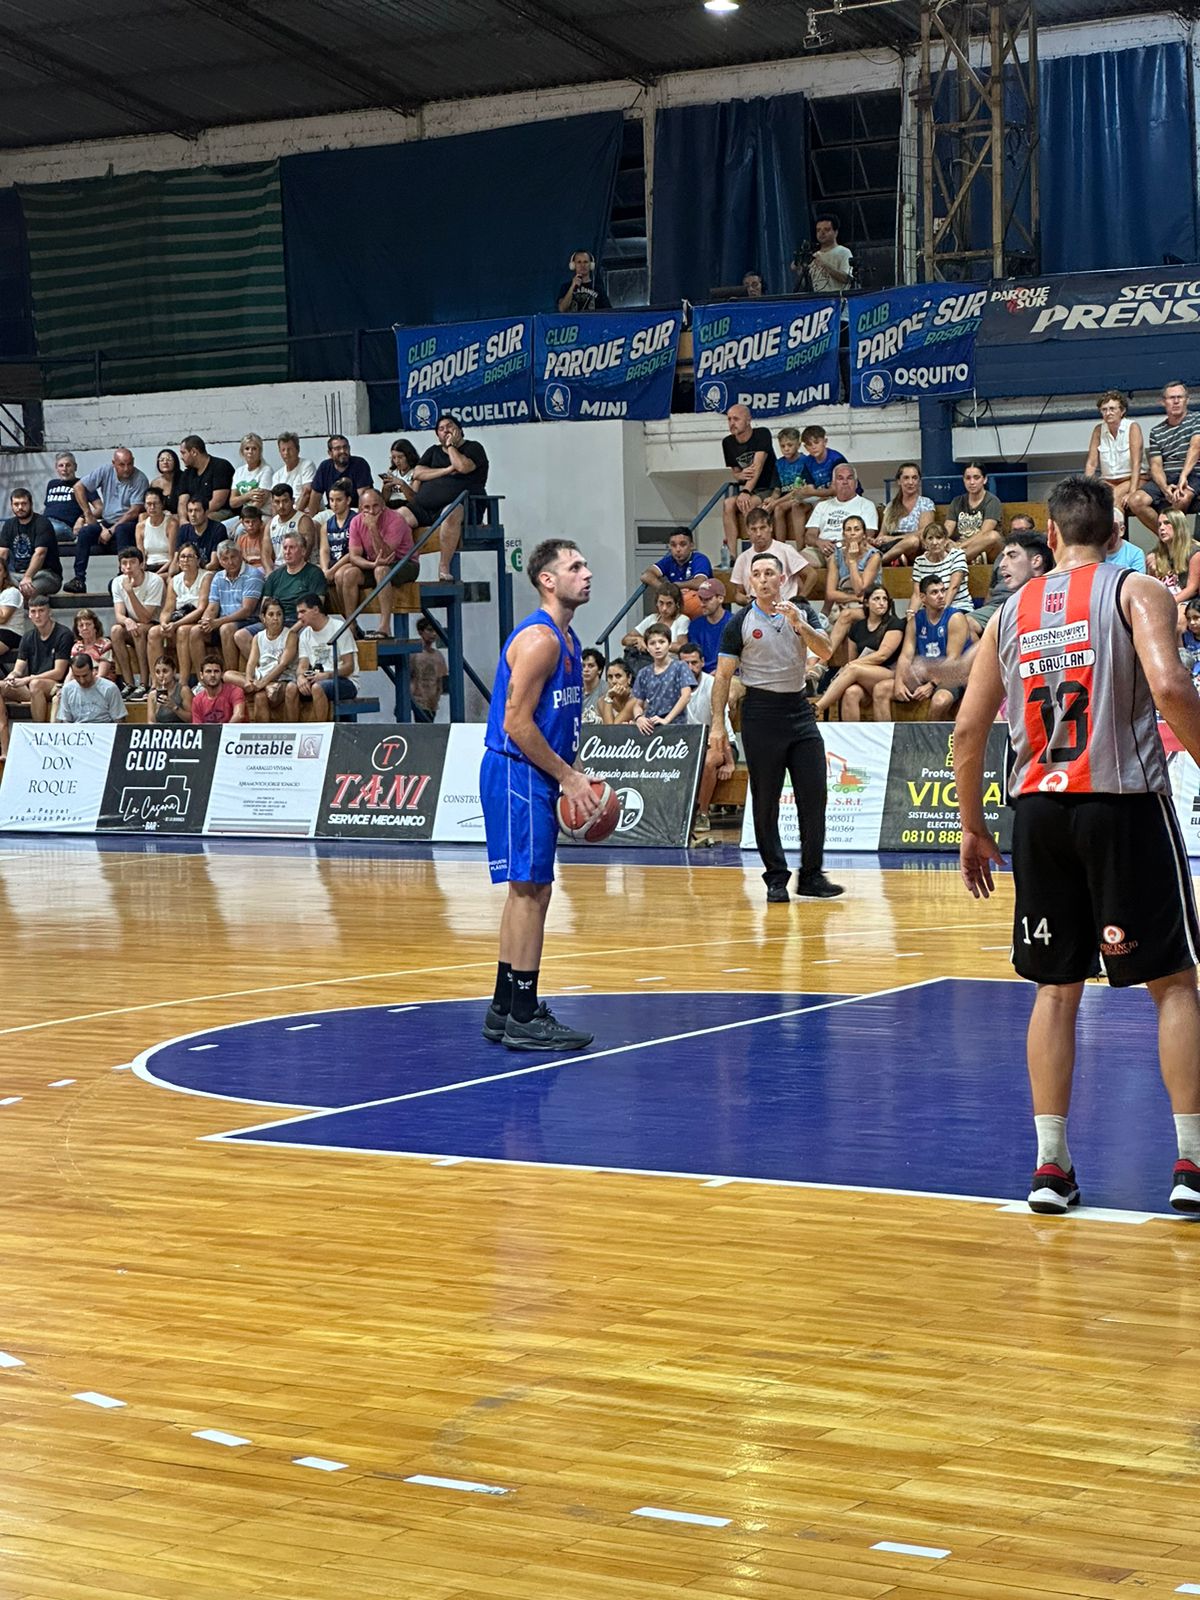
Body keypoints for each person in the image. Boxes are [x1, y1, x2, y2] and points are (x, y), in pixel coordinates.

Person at [956, 473, 1200, 1217]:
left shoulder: (1008, 613)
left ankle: (1050, 1169)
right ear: (1116, 536)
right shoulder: (1135, 589)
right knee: (1173, 983)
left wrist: (972, 826)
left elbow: (967, 731)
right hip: (1121, 804)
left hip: (1038, 814)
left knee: (1055, 990)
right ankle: (1190, 1163)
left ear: (1051, 537)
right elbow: (1170, 687)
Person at [479, 538, 599, 1052]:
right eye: (575, 567)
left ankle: (505, 1005)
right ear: (547, 580)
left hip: (531, 773)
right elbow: (515, 723)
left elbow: (549, 722)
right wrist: (569, 779)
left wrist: (570, 769)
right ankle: (524, 1015)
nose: (587, 572)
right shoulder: (542, 640)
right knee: (530, 891)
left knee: (530, 891)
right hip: (516, 772)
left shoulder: (569, 641)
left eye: (585, 563)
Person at [709, 552, 841, 902]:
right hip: (761, 713)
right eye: (757, 574)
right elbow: (722, 677)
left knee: (814, 796)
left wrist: (802, 625)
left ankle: (812, 875)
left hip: (798, 710)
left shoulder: (801, 613)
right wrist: (717, 727)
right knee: (766, 801)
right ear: (750, 582)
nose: (764, 579)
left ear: (782, 579)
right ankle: (776, 878)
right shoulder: (739, 623)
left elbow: (827, 652)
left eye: (770, 573)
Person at [399, 414, 489, 583]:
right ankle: (401, 564)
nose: (445, 430)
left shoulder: (474, 448)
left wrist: (451, 447)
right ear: (437, 435)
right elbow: (418, 473)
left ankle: (443, 567)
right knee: (397, 517)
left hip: (463, 507)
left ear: (459, 430)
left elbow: (462, 466)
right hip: (425, 508)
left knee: (451, 511)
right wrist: (447, 470)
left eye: (449, 426)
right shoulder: (432, 451)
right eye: (441, 429)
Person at [871, 575, 970, 722]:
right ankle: (886, 742)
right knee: (880, 690)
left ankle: (928, 742)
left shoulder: (955, 618)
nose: (941, 596)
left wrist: (932, 685)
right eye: (934, 592)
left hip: (951, 676)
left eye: (943, 591)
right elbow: (905, 656)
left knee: (940, 701)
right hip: (925, 674)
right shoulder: (915, 620)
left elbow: (952, 660)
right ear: (923, 598)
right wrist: (899, 682)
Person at [815, 584, 904, 721]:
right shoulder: (857, 627)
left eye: (885, 599)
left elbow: (882, 655)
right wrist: (852, 665)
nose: (882, 603)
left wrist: (852, 665)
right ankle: (851, 739)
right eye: (876, 599)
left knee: (853, 668)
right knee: (851, 692)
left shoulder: (894, 623)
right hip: (864, 675)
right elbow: (852, 658)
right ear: (866, 603)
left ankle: (817, 708)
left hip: (889, 672)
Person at [66, 447, 148, 591]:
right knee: (85, 532)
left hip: (127, 523)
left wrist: (111, 530)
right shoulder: (105, 470)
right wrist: (88, 515)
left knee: (122, 529)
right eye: (122, 465)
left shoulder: (140, 479)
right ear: (113, 463)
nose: (127, 468)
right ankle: (79, 579)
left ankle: (122, 576)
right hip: (106, 520)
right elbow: (78, 487)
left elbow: (135, 510)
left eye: (129, 464)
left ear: (133, 462)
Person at [0, 595, 74, 754]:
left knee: (35, 684)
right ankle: (4, 743)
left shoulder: (63, 634)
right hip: (32, 688)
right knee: (2, 685)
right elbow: (19, 667)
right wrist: (12, 676)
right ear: (29, 615)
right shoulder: (28, 636)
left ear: (50, 612)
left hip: (56, 686)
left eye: (41, 611)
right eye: (33, 611)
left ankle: (39, 733)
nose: (37, 615)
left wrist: (28, 678)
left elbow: (59, 672)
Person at [681, 638, 737, 835]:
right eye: (685, 663)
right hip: (690, 745)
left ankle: (702, 814)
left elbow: (721, 728)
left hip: (722, 744)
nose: (690, 667)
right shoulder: (674, 686)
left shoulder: (713, 685)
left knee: (708, 760)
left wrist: (729, 762)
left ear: (703, 662)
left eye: (694, 662)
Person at [1128, 381, 1200, 533]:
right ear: (1163, 402)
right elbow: (1156, 465)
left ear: (1187, 399)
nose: (1176, 401)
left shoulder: (1197, 419)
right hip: (1166, 476)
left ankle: (1174, 542)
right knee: (1135, 501)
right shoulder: (1156, 432)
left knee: (1181, 498)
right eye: (1171, 398)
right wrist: (1165, 488)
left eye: (1180, 397)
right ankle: (1171, 541)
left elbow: (1196, 447)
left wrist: (1183, 477)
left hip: (1193, 473)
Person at [345, 488, 418, 640]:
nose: (371, 511)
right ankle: (351, 626)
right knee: (349, 574)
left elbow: (386, 555)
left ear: (383, 505)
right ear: (360, 508)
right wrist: (371, 565)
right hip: (375, 564)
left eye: (375, 506)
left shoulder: (395, 519)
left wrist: (372, 528)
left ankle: (384, 627)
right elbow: (354, 556)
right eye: (366, 507)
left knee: (381, 571)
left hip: (405, 563)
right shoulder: (356, 521)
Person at [191, 541, 265, 674]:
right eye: (225, 559)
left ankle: (232, 675)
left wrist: (217, 622)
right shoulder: (218, 577)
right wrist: (206, 621)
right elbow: (213, 606)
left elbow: (246, 610)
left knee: (226, 628)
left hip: (249, 620)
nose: (230, 562)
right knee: (195, 631)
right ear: (220, 561)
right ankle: (202, 679)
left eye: (233, 557)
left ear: (241, 555)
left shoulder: (253, 575)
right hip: (224, 620)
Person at [720, 405, 779, 565]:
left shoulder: (762, 434)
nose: (732, 423)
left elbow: (757, 467)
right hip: (747, 488)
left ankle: (757, 553)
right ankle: (732, 556)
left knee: (748, 503)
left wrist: (746, 490)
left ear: (748, 420)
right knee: (728, 503)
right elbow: (736, 471)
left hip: (766, 487)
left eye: (736, 419)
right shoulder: (727, 442)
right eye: (729, 419)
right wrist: (739, 476)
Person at [286, 594, 358, 721]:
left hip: (344, 681)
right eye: (298, 613)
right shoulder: (305, 634)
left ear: (315, 609)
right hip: (318, 679)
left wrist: (327, 675)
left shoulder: (339, 628)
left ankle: (323, 731)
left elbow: (349, 667)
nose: (299, 617)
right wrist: (300, 677)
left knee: (318, 687)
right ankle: (295, 730)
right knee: (291, 687)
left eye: (303, 612)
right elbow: (302, 665)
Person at [149, 541, 211, 680]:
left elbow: (201, 608)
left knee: (182, 631)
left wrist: (176, 625)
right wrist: (164, 623)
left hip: (197, 619)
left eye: (190, 556)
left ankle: (184, 680)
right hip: (179, 618)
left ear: (198, 560)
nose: (185, 560)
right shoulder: (174, 580)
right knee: (154, 632)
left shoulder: (206, 576)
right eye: (182, 557)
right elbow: (167, 609)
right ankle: (157, 682)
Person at [110, 548, 166, 699]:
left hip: (154, 623)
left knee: (139, 629)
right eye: (124, 563)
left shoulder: (155, 580)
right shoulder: (117, 582)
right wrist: (127, 620)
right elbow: (119, 614)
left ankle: (143, 683)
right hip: (133, 623)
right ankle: (129, 683)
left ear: (142, 565)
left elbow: (146, 617)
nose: (128, 567)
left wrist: (130, 592)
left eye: (133, 562)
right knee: (116, 630)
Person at [231, 597, 296, 722]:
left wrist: (262, 683)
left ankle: (266, 687)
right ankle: (266, 687)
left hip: (283, 679)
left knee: (260, 697)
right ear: (263, 618)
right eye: (271, 614)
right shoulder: (258, 637)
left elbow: (283, 665)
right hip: (262, 679)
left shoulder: (290, 635)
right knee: (227, 675)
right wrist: (250, 680)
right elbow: (251, 663)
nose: (275, 618)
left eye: (279, 614)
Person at [1084, 390, 1144, 518]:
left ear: (1122, 411)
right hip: (1108, 480)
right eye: (1104, 409)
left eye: (1112, 409)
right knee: (1092, 501)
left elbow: (1136, 463)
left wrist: (1132, 491)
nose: (1108, 413)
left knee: (1114, 497)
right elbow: (1091, 463)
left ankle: (1117, 535)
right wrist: (1086, 488)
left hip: (1132, 479)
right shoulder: (1098, 430)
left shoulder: (1132, 427)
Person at [731, 509, 810, 606]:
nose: (758, 534)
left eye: (762, 528)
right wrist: (747, 601)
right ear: (748, 531)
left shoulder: (785, 550)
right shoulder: (742, 559)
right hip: (756, 609)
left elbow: (811, 575)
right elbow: (738, 593)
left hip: (784, 608)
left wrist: (800, 599)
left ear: (771, 527)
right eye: (754, 529)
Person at [0, 487, 63, 600]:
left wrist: (28, 576)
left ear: (31, 504)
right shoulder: (9, 525)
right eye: (16, 504)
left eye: (24, 503)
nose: (20, 507)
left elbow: (40, 553)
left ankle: (27, 618)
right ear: (12, 505)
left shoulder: (42, 523)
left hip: (46, 575)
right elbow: (2, 554)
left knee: (25, 591)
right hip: (16, 575)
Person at [630, 623, 693, 731]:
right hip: (651, 727)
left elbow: (686, 696)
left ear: (669, 645)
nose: (657, 646)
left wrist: (666, 720)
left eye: (662, 642)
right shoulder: (643, 673)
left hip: (677, 727)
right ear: (647, 648)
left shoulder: (680, 666)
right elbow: (638, 704)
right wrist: (639, 718)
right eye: (652, 643)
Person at [944, 462, 1004, 563]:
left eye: (976, 478)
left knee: (994, 536)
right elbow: (947, 529)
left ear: (984, 480)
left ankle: (955, 560)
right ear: (963, 480)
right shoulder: (957, 501)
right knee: (938, 538)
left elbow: (985, 532)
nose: (972, 482)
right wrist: (946, 541)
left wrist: (959, 547)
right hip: (960, 546)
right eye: (968, 478)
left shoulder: (992, 501)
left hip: (983, 547)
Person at [877, 463, 936, 565]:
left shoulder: (925, 503)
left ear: (919, 481)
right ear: (899, 481)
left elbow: (924, 532)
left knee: (913, 541)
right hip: (890, 545)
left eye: (914, 478)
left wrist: (894, 539)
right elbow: (882, 534)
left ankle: (880, 561)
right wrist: (877, 540)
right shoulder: (891, 505)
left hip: (913, 547)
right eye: (906, 478)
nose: (910, 482)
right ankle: (897, 558)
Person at [911, 522, 973, 614]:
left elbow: (953, 587)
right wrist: (911, 614)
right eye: (930, 538)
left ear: (946, 540)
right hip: (930, 611)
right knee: (904, 625)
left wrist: (941, 613)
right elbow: (917, 595)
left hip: (958, 607)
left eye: (939, 538)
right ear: (924, 542)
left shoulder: (957, 555)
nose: (934, 542)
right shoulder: (919, 561)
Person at [763, 426, 810, 544]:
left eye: (790, 445)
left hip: (799, 496)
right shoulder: (779, 463)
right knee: (765, 507)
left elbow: (798, 491)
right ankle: (777, 545)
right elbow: (777, 489)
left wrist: (776, 503)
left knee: (778, 508)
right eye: (783, 446)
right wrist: (771, 499)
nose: (786, 449)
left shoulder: (806, 461)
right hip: (783, 498)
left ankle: (788, 545)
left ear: (798, 445)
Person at [825, 515, 881, 614]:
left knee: (846, 615)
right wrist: (854, 598)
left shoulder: (873, 556)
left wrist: (852, 561)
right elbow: (830, 593)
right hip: (845, 601)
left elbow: (859, 589)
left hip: (869, 602)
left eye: (857, 529)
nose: (852, 533)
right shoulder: (836, 556)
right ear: (843, 535)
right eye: (848, 530)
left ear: (864, 534)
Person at [639, 527, 713, 600]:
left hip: (701, 604)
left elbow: (700, 582)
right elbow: (645, 576)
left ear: (691, 546)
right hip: (679, 604)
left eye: (683, 544)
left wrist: (676, 586)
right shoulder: (668, 561)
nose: (678, 549)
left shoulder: (700, 559)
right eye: (673, 545)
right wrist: (666, 589)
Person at [176, 435, 235, 525]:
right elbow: (182, 502)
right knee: (172, 520)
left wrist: (197, 515)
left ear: (194, 452)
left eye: (183, 453)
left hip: (220, 511)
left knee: (205, 520)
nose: (181, 457)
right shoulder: (187, 474)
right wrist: (183, 519)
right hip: (194, 512)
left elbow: (218, 502)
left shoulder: (220, 466)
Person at [622, 584, 689, 660]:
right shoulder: (652, 618)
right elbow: (625, 639)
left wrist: (650, 643)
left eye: (669, 604)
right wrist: (638, 639)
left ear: (677, 604)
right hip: (648, 662)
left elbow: (681, 647)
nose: (664, 608)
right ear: (656, 603)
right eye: (661, 603)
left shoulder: (682, 620)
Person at [55, 653, 125, 725]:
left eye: (85, 676)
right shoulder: (67, 689)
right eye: (77, 676)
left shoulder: (109, 688)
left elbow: (119, 720)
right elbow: (65, 720)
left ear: (92, 671)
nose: (82, 680)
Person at [308, 434, 373, 513]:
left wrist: (357, 522)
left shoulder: (360, 464)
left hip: (355, 511)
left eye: (345, 447)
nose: (342, 451)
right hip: (332, 511)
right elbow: (315, 496)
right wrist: (312, 519)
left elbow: (363, 497)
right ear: (330, 453)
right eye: (337, 448)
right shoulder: (324, 467)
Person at [1152, 510, 1200, 603]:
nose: (1162, 528)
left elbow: (1192, 589)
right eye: (1159, 524)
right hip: (1163, 600)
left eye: (1167, 523)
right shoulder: (1157, 554)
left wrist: (1169, 603)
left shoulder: (1195, 552)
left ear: (1178, 526)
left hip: (1187, 601)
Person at [316, 479, 356, 588]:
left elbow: (353, 552)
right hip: (332, 563)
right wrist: (325, 570)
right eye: (331, 500)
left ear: (348, 500)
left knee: (339, 575)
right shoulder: (326, 525)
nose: (334, 504)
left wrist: (332, 571)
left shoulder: (355, 521)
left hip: (350, 562)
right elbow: (324, 551)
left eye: (339, 500)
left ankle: (344, 606)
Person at [266, 483, 316, 565]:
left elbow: (306, 552)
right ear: (272, 503)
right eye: (277, 502)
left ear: (292, 501)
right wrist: (269, 572)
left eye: (285, 501)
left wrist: (287, 572)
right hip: (278, 569)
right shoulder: (270, 524)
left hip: (301, 568)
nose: (281, 506)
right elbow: (266, 554)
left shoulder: (303, 521)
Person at [687, 578, 729, 673]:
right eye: (701, 599)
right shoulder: (695, 625)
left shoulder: (734, 623)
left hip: (729, 675)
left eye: (707, 599)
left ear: (720, 598)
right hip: (701, 676)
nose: (702, 604)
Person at [411, 617, 448, 722]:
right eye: (430, 630)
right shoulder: (414, 653)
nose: (434, 634)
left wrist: (436, 699)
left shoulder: (438, 656)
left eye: (435, 630)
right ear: (420, 632)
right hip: (417, 702)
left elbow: (440, 680)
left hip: (431, 703)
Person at [805, 214, 854, 294]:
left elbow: (847, 278)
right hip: (818, 301)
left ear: (835, 232)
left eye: (826, 230)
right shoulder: (814, 256)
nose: (822, 233)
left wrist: (824, 264)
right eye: (818, 230)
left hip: (837, 300)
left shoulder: (843, 252)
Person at [191, 655, 246, 724]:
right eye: (208, 671)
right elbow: (197, 726)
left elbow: (239, 715)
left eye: (216, 671)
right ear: (201, 675)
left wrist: (222, 731)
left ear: (222, 674)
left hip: (233, 733)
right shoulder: (197, 700)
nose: (212, 675)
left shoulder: (235, 691)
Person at [230, 432, 275, 514]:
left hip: (261, 514)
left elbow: (260, 502)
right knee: (223, 526)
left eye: (254, 449)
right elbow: (232, 502)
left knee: (238, 527)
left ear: (260, 451)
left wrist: (241, 521)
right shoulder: (239, 472)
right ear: (242, 452)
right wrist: (248, 495)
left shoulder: (266, 470)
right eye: (247, 448)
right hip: (245, 515)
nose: (250, 452)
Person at [135, 486, 177, 574]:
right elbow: (141, 558)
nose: (152, 507)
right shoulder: (140, 527)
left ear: (162, 504)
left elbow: (172, 558)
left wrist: (156, 575)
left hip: (166, 566)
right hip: (148, 567)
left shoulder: (171, 524)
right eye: (149, 504)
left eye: (156, 503)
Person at [271, 431, 317, 511]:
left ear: (297, 449)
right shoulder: (277, 475)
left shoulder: (307, 465)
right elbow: (274, 501)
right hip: (284, 514)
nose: (286, 453)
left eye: (289, 449)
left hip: (304, 512)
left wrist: (293, 516)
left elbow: (306, 493)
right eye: (283, 450)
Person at [146, 654, 191, 725]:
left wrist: (174, 707)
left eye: (165, 671)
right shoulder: (152, 695)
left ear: (174, 671)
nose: (161, 675)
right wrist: (156, 708)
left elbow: (192, 719)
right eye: (158, 672)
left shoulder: (183, 691)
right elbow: (151, 722)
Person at [42, 452, 80, 538]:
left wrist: (82, 518)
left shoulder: (82, 484)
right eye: (61, 466)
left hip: (63, 525)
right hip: (45, 522)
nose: (64, 469)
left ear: (75, 467)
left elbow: (99, 508)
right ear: (56, 468)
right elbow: (47, 506)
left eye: (68, 465)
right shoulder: (52, 484)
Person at [179, 497, 224, 570]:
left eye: (197, 510)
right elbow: (176, 560)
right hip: (188, 571)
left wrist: (195, 572)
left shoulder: (218, 529)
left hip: (209, 572)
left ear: (206, 512)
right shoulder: (184, 529)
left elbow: (214, 564)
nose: (193, 514)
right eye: (190, 511)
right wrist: (170, 576)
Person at [71, 607, 115, 680]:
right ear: (77, 630)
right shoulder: (77, 647)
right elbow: (72, 672)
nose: (85, 628)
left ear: (95, 627)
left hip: (102, 682)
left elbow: (102, 674)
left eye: (88, 624)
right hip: (82, 682)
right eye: (81, 625)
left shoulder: (104, 644)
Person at [379, 440, 420, 511]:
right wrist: (386, 488)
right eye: (394, 458)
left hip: (407, 506)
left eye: (400, 457)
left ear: (409, 456)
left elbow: (414, 500)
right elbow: (384, 500)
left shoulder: (416, 472)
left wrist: (402, 484)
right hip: (391, 504)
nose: (397, 461)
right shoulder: (392, 472)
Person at [235, 505, 271, 572]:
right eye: (247, 522)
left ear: (261, 522)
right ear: (242, 523)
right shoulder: (241, 539)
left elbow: (270, 558)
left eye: (254, 521)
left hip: (262, 568)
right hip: (246, 569)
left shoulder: (265, 538)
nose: (251, 525)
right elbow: (239, 559)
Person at [599, 658, 634, 724]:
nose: (614, 681)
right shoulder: (602, 701)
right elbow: (608, 730)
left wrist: (609, 698)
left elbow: (613, 727)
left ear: (629, 678)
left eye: (618, 676)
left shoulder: (637, 699)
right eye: (610, 677)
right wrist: (609, 698)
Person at [151, 447, 183, 514]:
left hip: (179, 515)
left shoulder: (183, 478)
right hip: (161, 515)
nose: (165, 462)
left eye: (169, 459)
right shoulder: (155, 483)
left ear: (175, 462)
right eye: (162, 460)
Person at [580, 647, 606, 723]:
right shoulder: (576, 690)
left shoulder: (606, 689)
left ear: (600, 670)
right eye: (583, 666)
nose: (586, 670)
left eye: (591, 666)